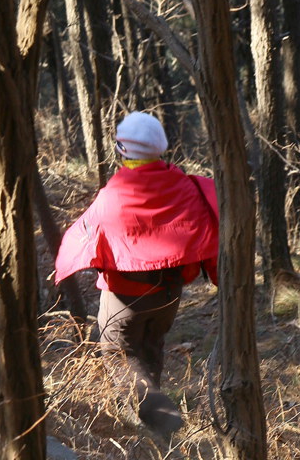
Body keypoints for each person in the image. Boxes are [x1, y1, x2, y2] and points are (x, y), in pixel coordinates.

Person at [55, 111, 219, 439]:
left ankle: (158, 419)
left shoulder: (114, 194)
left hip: (124, 296)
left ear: (123, 150)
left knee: (117, 352)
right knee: (150, 346)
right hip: (170, 294)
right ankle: (156, 434)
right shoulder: (185, 186)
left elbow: (87, 235)